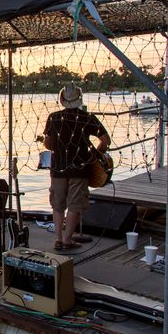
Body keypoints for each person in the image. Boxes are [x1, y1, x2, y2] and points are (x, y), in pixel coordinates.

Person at [43, 83, 110, 251]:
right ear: (80, 99)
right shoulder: (87, 118)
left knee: (57, 205)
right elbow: (105, 140)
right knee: (75, 205)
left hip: (58, 168)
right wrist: (97, 155)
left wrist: (58, 145)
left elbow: (48, 144)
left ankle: (58, 239)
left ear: (62, 99)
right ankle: (67, 239)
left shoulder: (53, 117)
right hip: (80, 168)